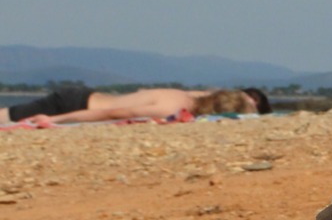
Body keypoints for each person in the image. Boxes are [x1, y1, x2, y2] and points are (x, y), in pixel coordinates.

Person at [1, 85, 272, 125]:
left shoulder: (192, 95)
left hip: (86, 97)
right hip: (75, 102)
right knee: (8, 115)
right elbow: (112, 113)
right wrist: (56, 120)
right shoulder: (167, 108)